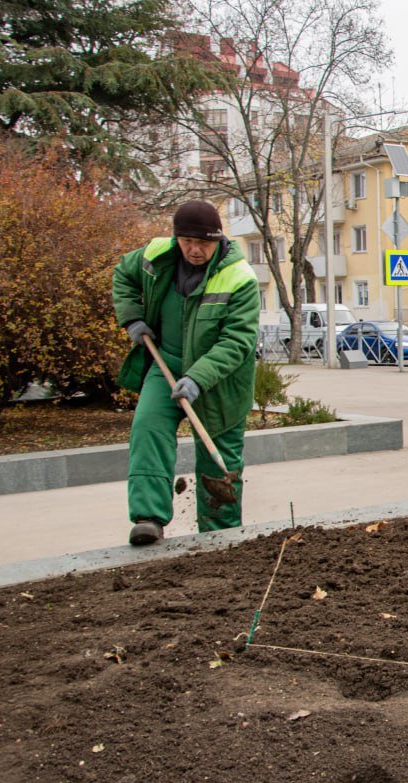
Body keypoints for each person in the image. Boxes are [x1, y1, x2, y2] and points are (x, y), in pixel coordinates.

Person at [112, 201, 260, 546]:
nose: (194, 250)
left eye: (203, 244)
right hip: (166, 364)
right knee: (147, 429)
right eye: (187, 241)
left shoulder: (240, 278)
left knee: (218, 458)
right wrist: (132, 317)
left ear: (218, 239)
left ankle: (220, 536)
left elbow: (236, 342)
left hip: (219, 380)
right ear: (176, 237)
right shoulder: (155, 254)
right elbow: (123, 274)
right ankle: (149, 518)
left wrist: (197, 378)